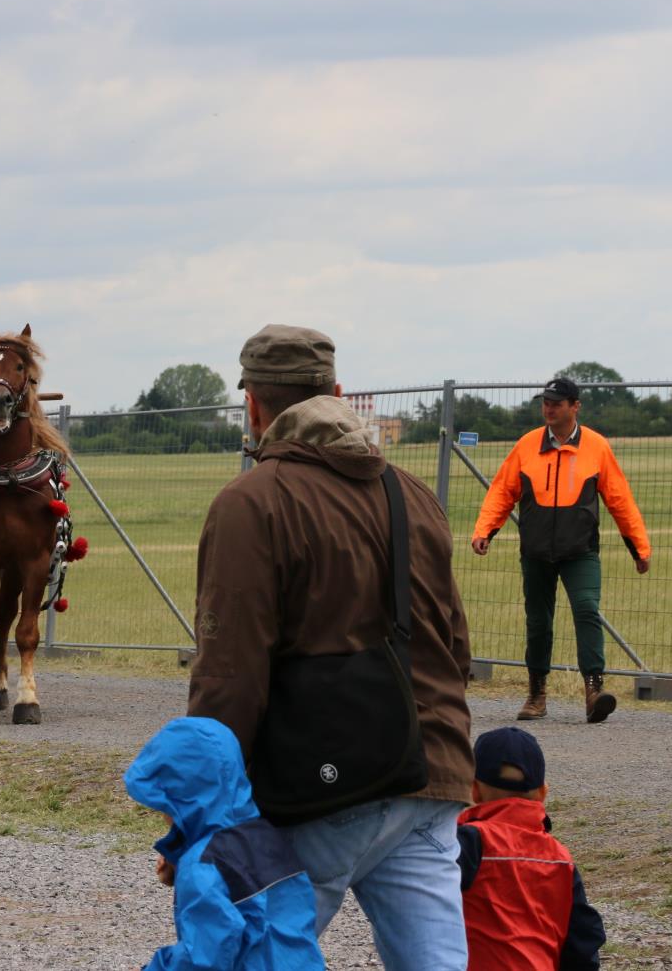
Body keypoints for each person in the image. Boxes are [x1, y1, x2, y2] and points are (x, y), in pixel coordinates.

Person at [187, 324, 475, 971]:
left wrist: (199, 811)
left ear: (253, 409)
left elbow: (229, 675)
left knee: (245, 954)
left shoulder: (250, 502)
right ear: (337, 394)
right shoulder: (414, 496)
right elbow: (453, 648)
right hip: (433, 772)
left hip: (317, 786)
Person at [470, 376, 651, 724]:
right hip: (535, 551)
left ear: (575, 406)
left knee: (586, 609)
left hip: (580, 551)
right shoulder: (526, 445)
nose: (548, 408)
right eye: (546, 402)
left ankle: (594, 691)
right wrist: (484, 531)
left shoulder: (597, 447)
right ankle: (536, 695)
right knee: (538, 622)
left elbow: (620, 500)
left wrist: (639, 547)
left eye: (556, 402)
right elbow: (502, 491)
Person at [124, 716, 325, 970]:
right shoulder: (269, 838)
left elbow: (204, 959)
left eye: (163, 801)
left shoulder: (202, 867)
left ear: (180, 795)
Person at [456, 727, 604, 969]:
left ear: (473, 789)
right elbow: (582, 941)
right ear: (543, 792)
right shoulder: (560, 858)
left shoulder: (469, 842)